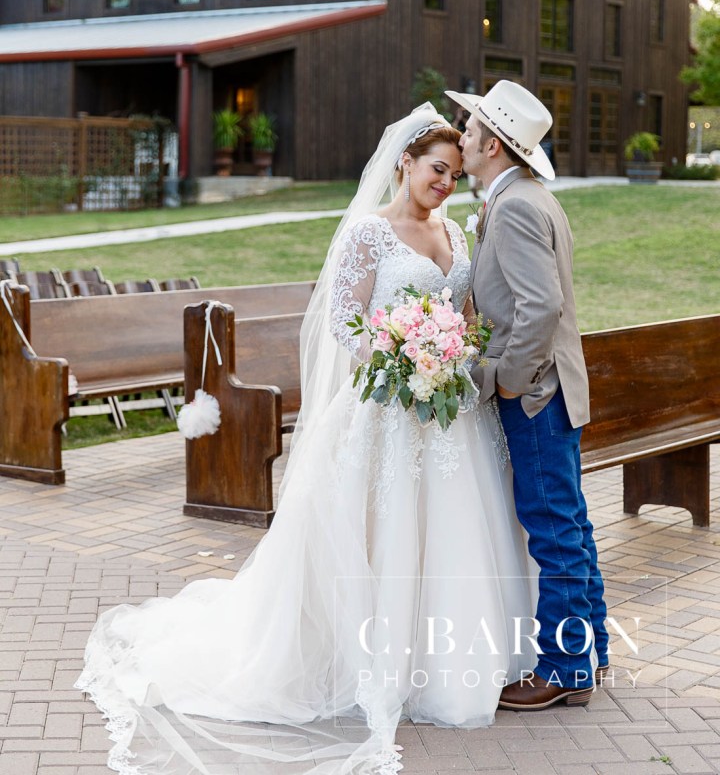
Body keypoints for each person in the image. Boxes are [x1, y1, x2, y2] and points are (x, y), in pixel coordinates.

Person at [75, 102, 537, 775]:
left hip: (446, 414)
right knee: (380, 533)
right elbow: (343, 325)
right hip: (384, 405)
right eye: (436, 169)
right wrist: (399, 355)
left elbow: (462, 313)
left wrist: (451, 350)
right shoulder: (366, 234)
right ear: (405, 163)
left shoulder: (456, 234)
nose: (444, 183)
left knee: (452, 530)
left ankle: (447, 664)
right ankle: (364, 661)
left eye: (455, 173)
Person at [446, 80, 609, 710]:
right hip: (555, 389)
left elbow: (541, 307)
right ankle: (590, 649)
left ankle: (564, 669)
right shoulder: (525, 195)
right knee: (570, 524)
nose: (462, 136)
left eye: (470, 128)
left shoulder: (514, 205)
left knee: (552, 530)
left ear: (491, 144)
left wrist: (510, 379)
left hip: (538, 394)